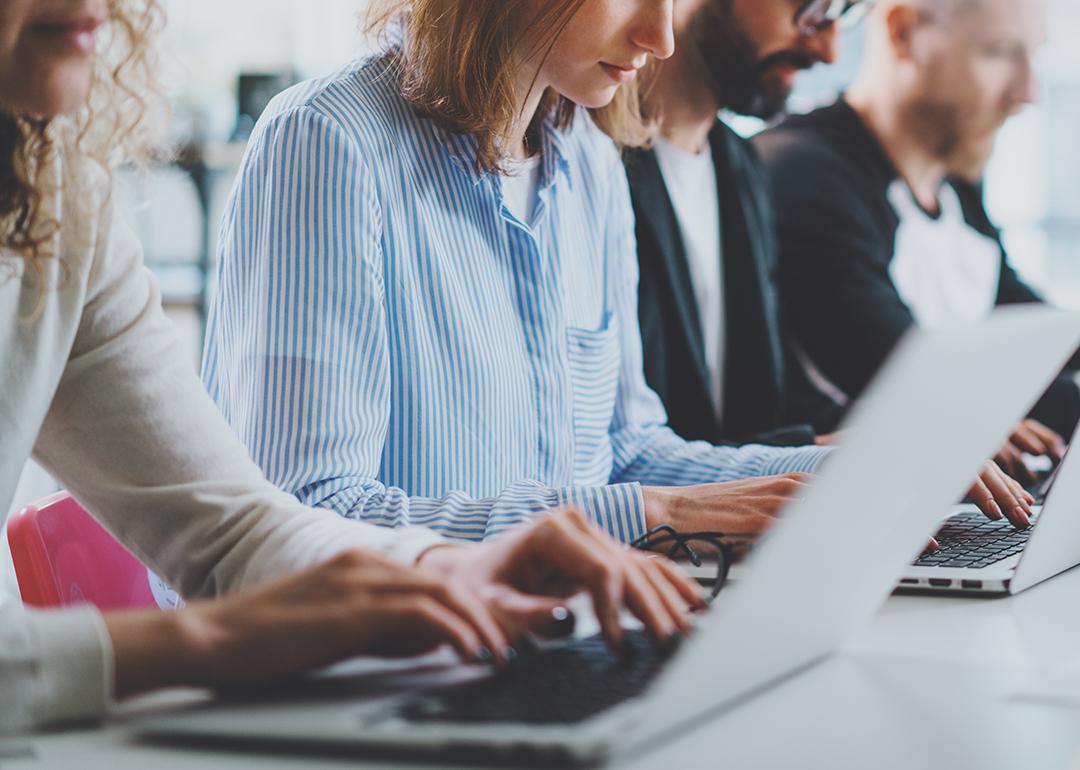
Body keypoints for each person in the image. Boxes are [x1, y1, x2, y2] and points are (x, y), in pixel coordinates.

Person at [0, 0, 699, 735]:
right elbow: (290, 519)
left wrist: (439, 566)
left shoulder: (52, 196)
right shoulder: (331, 135)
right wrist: (206, 643)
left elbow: (237, 531)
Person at [201, 0, 841, 547]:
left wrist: (844, 470)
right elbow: (304, 519)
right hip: (393, 675)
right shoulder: (328, 143)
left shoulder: (592, 159)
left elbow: (627, 452)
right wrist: (645, 517)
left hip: (555, 641)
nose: (661, 37)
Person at [754, 0, 1080, 474]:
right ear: (904, 32)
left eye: (1033, 54)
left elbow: (1032, 333)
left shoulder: (953, 186)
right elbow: (911, 381)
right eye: (999, 52)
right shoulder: (803, 174)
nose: (1028, 91)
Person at [627, 0, 864, 449]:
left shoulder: (740, 165)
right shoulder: (586, 168)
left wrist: (912, 435)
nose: (828, 51)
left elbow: (771, 402)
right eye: (813, 9)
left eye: (846, 15)